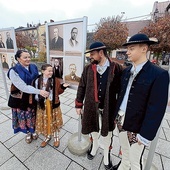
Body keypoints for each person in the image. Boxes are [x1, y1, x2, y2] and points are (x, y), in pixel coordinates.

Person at [113, 33, 169, 170]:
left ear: (144, 48)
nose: (127, 52)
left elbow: (156, 108)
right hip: (120, 119)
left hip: (138, 126)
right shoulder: (126, 72)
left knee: (135, 161)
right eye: (128, 49)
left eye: (131, 48)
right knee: (124, 152)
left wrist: (145, 134)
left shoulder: (158, 74)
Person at [75, 42, 123, 170]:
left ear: (101, 53)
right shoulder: (88, 69)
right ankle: (95, 146)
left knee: (108, 133)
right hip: (91, 106)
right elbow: (82, 86)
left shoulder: (116, 68)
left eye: (92, 54)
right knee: (93, 128)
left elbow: (122, 89)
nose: (90, 56)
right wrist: (78, 104)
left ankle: (107, 154)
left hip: (109, 108)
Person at [7, 50, 49, 144]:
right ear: (18, 59)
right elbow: (23, 87)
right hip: (21, 98)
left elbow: (38, 78)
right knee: (24, 116)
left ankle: (33, 131)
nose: (28, 59)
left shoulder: (33, 66)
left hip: (32, 96)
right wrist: (39, 91)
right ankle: (28, 133)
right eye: (25, 57)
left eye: (29, 57)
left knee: (33, 114)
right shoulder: (13, 71)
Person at [32, 64, 69, 148]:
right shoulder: (37, 80)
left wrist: (63, 87)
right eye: (49, 71)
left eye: (52, 71)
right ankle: (47, 136)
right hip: (42, 105)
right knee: (46, 120)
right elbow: (35, 92)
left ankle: (56, 137)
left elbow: (58, 91)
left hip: (52, 104)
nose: (51, 72)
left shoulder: (55, 80)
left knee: (54, 120)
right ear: (43, 71)